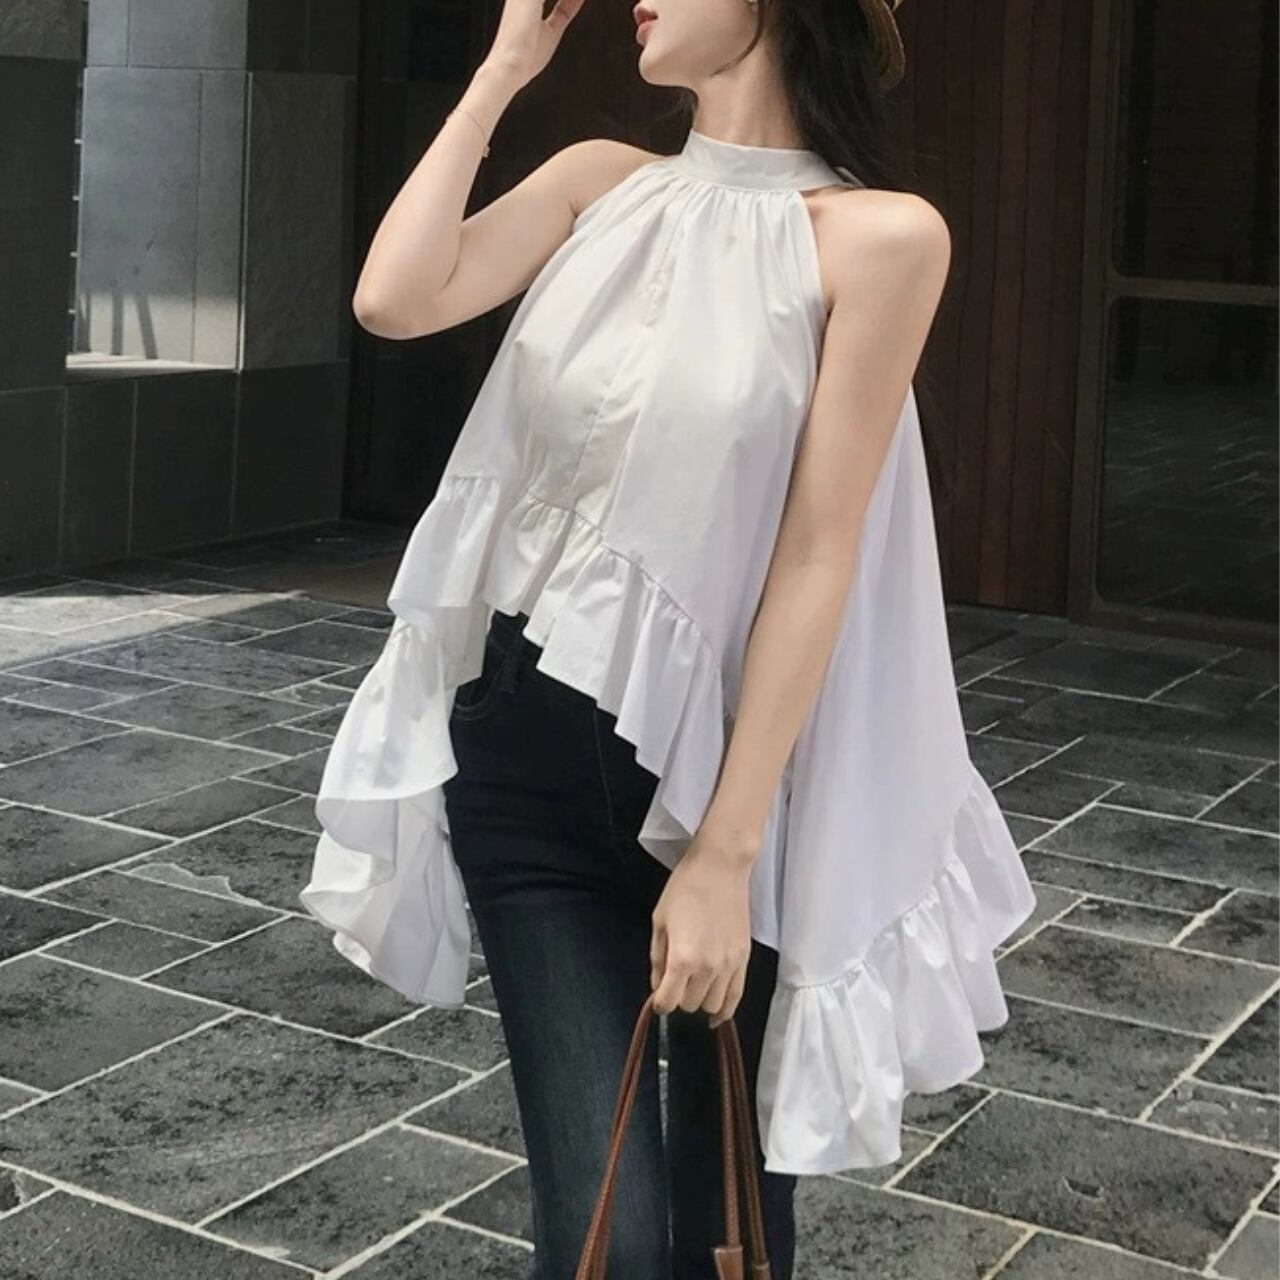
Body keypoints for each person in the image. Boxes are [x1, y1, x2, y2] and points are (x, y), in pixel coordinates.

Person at [300, 0, 1039, 1277]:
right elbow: (393, 296)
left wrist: (722, 855)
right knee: (604, 1231)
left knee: (722, 1220)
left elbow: (818, 550)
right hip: (524, 754)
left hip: (725, 780)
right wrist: (500, 72)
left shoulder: (879, 238)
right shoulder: (598, 183)